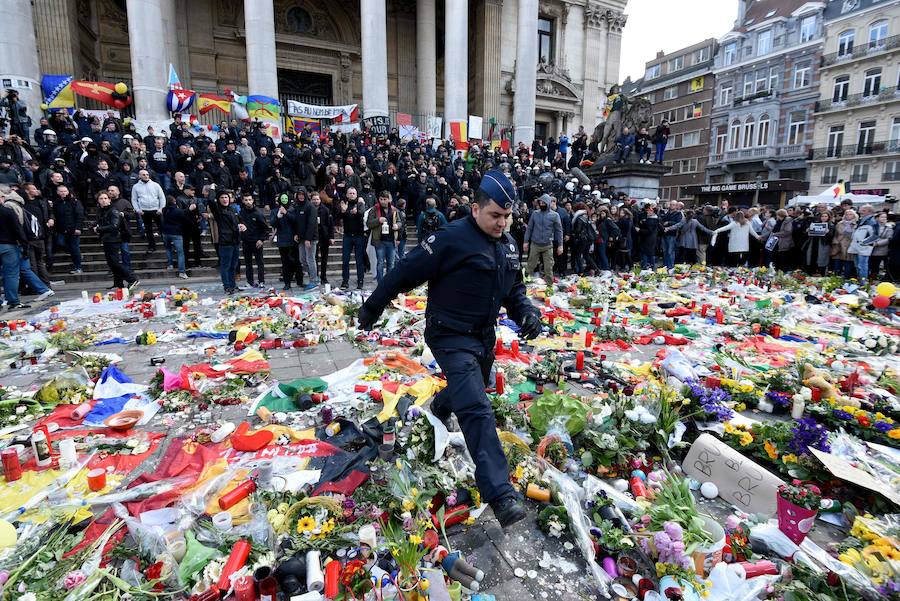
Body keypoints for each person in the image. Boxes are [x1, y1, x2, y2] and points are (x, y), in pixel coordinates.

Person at [357, 169, 542, 528]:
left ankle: (439, 406)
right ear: (476, 209)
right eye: (495, 216)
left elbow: (513, 289)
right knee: (476, 406)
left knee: (467, 390)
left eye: (507, 217)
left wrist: (527, 312)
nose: (502, 223)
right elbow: (404, 272)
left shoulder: (507, 244)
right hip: (449, 335)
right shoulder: (450, 238)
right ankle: (500, 493)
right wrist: (372, 306)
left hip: (483, 337)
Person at [93, 190, 138, 289]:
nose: (104, 200)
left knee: (114, 263)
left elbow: (114, 226)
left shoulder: (113, 210)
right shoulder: (101, 210)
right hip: (107, 239)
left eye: (105, 198)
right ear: (98, 201)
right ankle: (118, 283)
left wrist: (98, 229)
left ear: (109, 200)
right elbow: (102, 222)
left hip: (114, 239)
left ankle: (132, 279)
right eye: (101, 199)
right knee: (111, 263)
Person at [208, 190, 243, 294]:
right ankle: (227, 286)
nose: (224, 199)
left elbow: (240, 220)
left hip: (235, 240)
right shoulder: (218, 210)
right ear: (218, 200)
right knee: (225, 266)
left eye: (226, 197)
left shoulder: (233, 209)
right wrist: (213, 189)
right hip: (225, 241)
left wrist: (242, 225)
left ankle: (233, 285)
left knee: (233, 265)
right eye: (222, 197)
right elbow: (210, 200)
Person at [524, 193, 563, 284]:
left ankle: (549, 287)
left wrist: (560, 245)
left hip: (548, 245)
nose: (541, 204)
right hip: (535, 244)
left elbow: (559, 231)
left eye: (543, 203)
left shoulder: (555, 215)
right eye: (540, 202)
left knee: (548, 268)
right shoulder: (535, 213)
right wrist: (525, 241)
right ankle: (523, 284)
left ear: (548, 203)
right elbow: (529, 228)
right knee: (530, 265)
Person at [367, 190, 400, 285]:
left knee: (391, 264)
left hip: (391, 240)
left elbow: (400, 222)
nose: (382, 201)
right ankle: (380, 283)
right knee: (380, 263)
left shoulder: (394, 210)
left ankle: (389, 283)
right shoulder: (374, 209)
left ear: (389, 200)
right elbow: (369, 224)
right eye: (381, 199)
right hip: (379, 241)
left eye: (384, 199)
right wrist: (378, 220)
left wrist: (397, 226)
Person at [238, 192, 271, 287]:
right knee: (248, 263)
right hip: (246, 242)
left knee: (260, 262)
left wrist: (261, 240)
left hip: (257, 242)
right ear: (243, 201)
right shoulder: (241, 213)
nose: (248, 202)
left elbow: (265, 229)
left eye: (249, 200)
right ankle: (250, 281)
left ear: (252, 200)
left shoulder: (258, 213)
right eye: (246, 200)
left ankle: (261, 281)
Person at [271, 193, 301, 291]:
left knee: (296, 261)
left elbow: (295, 221)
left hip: (293, 240)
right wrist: (278, 216)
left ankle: (299, 281)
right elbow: (273, 223)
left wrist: (286, 213)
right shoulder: (275, 211)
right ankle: (287, 282)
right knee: (285, 262)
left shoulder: (293, 210)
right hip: (282, 240)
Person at [51, 184, 84, 273]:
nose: (63, 193)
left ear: (68, 192)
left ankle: (78, 267)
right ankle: (77, 256)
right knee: (60, 243)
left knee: (74, 248)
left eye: (65, 191)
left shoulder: (74, 201)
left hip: (73, 229)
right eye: (61, 191)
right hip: (61, 229)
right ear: (57, 192)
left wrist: (78, 227)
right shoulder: (56, 202)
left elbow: (80, 215)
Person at [131, 169, 166, 252]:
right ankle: (152, 247)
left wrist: (161, 208)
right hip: (144, 211)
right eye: (143, 175)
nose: (146, 176)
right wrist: (137, 210)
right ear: (139, 176)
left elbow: (162, 197)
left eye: (147, 174)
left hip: (156, 210)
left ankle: (167, 245)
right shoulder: (135, 187)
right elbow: (134, 199)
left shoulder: (156, 185)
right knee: (148, 230)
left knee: (162, 228)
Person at [339, 187, 366, 290]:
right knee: (345, 260)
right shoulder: (344, 204)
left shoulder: (360, 203)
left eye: (353, 193)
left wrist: (357, 212)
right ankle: (345, 281)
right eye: (350, 193)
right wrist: (343, 211)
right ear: (347, 195)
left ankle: (360, 281)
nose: (351, 195)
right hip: (347, 236)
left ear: (356, 194)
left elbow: (362, 214)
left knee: (359, 260)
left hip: (359, 236)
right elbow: (339, 216)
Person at [293, 188, 319, 290]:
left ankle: (314, 280)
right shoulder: (297, 206)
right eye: (299, 194)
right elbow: (297, 222)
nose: (301, 196)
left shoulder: (310, 207)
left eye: (302, 194)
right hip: (301, 238)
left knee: (310, 259)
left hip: (310, 238)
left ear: (305, 195)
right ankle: (312, 277)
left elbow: (312, 223)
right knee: (302, 259)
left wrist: (308, 238)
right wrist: (296, 233)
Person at [161, 195, 190, 279]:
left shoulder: (164, 210)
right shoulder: (179, 211)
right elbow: (184, 220)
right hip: (176, 233)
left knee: (168, 249)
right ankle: (182, 272)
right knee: (180, 253)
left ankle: (170, 265)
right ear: (174, 202)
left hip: (165, 232)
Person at [312, 192, 334, 286]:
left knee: (324, 258)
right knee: (314, 258)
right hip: (313, 236)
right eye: (314, 199)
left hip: (324, 236)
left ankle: (323, 277)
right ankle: (315, 276)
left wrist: (331, 237)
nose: (316, 201)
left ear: (320, 200)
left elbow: (330, 224)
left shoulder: (325, 210)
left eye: (317, 199)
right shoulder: (310, 209)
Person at [830, 209, 856, 278]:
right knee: (837, 265)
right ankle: (835, 278)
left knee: (848, 264)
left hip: (849, 246)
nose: (848, 216)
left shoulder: (856, 224)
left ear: (854, 216)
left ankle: (846, 279)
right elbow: (835, 235)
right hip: (838, 246)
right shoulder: (839, 223)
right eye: (847, 214)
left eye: (850, 214)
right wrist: (836, 242)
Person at [659, 200, 682, 270]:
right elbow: (662, 220)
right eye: (671, 204)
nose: (671, 206)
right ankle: (665, 265)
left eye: (673, 205)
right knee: (665, 250)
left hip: (672, 234)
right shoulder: (667, 213)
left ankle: (670, 266)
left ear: (676, 206)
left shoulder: (678, 214)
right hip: (664, 233)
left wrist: (668, 223)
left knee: (670, 251)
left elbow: (678, 223)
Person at [869, 212, 892, 280]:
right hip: (871, 248)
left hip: (882, 249)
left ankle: (874, 277)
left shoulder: (888, 227)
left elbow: (889, 239)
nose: (884, 218)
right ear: (878, 218)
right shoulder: (873, 226)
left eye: (885, 217)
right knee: (872, 264)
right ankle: (871, 278)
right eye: (882, 217)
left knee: (877, 264)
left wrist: (877, 243)